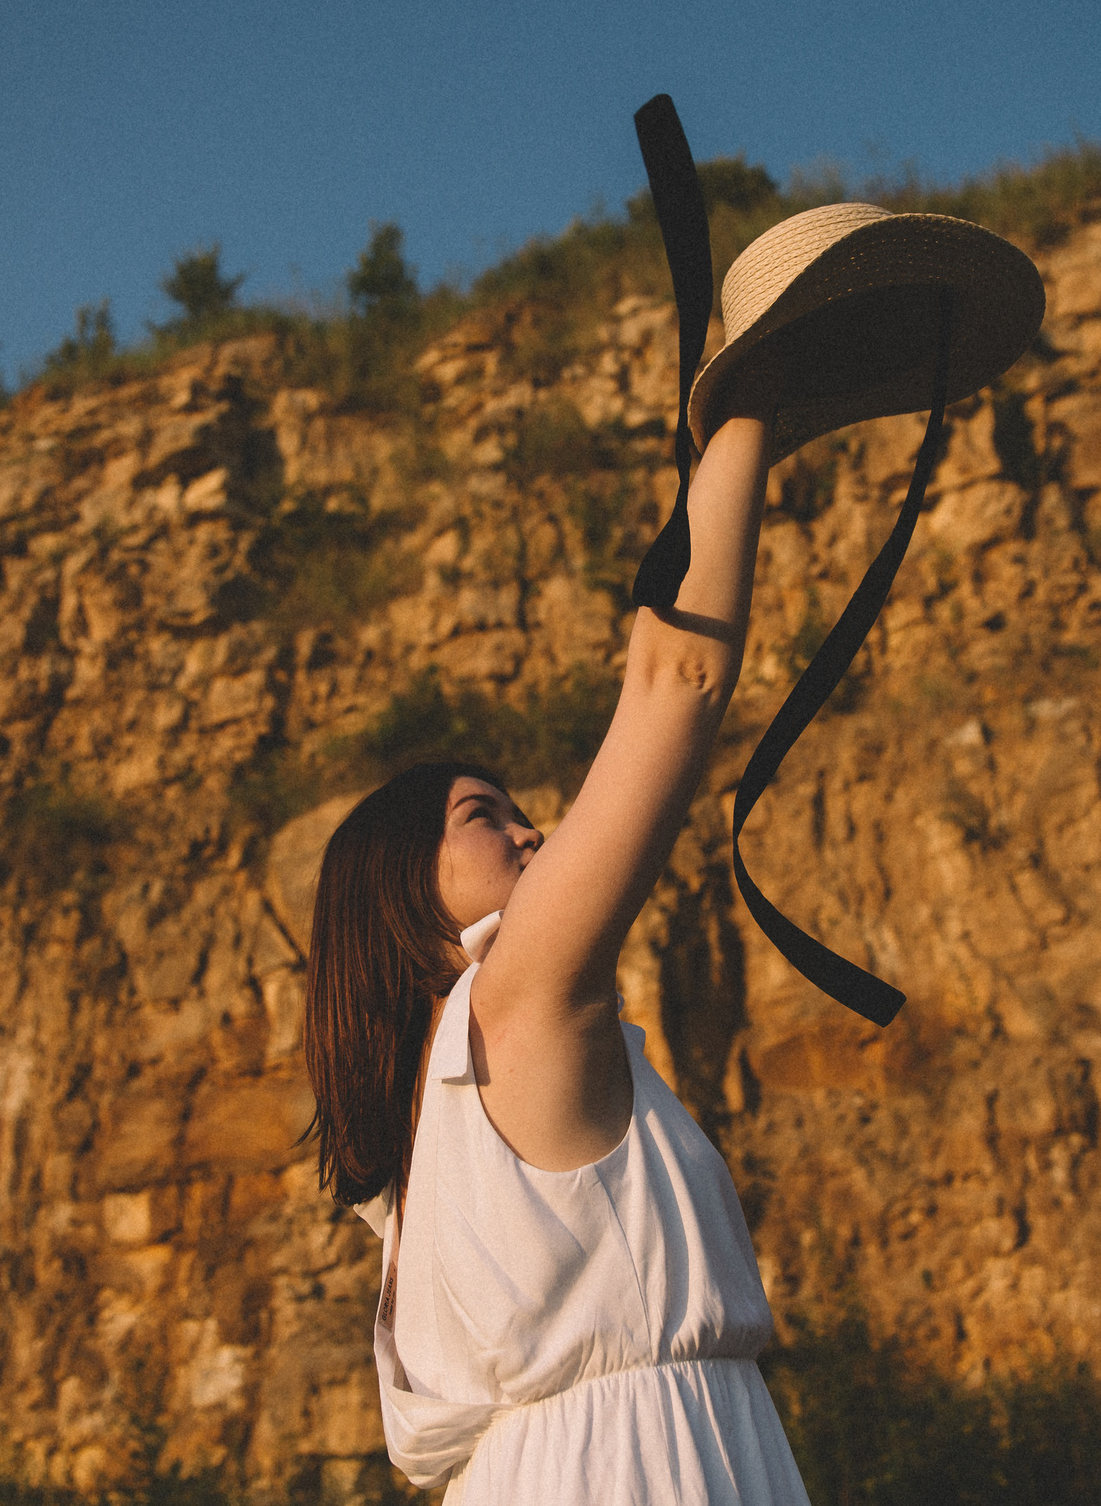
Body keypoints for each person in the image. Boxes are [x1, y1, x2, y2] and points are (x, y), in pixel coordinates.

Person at [303, 404, 805, 1503]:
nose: (531, 832)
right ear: (401, 891)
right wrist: (754, 413)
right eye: (483, 816)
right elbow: (675, 682)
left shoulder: (413, 1170)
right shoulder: (512, 1000)